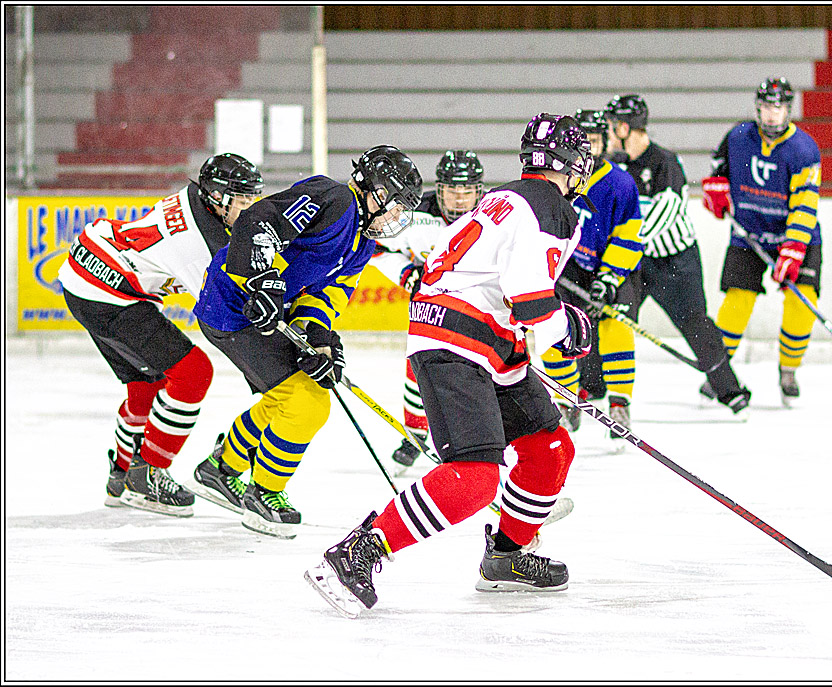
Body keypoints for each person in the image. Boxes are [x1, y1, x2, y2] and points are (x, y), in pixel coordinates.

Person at [305, 113, 595, 617]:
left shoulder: (507, 197)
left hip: (483, 338)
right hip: (457, 340)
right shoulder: (550, 207)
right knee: (475, 476)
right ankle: (357, 552)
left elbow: (502, 288)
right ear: (573, 166)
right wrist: (568, 332)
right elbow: (532, 304)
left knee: (549, 449)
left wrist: (546, 325)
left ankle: (506, 557)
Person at [188, 145, 423, 538]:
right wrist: (261, 279)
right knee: (308, 403)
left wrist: (320, 341)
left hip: (259, 313)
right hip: (234, 304)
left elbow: (328, 294)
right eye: (397, 205)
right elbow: (259, 222)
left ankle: (220, 468)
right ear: (377, 193)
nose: (399, 216)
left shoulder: (362, 243)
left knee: (290, 395)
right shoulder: (331, 198)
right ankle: (264, 493)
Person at [56, 153, 264, 517]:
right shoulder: (201, 245)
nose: (249, 210)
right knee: (193, 372)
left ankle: (121, 475)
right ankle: (148, 474)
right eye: (243, 201)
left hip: (84, 271)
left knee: (145, 385)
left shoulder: (193, 199)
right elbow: (224, 316)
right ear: (217, 197)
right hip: (109, 292)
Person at [604, 94, 751, 416]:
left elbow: (666, 211)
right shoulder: (613, 164)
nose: (608, 133)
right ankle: (595, 386)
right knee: (609, 319)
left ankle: (731, 392)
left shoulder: (665, 163)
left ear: (626, 127)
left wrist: (621, 249)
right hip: (636, 263)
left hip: (675, 263)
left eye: (613, 127)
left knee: (696, 326)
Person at [701, 77, 823, 406]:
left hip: (796, 237)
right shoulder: (738, 136)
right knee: (737, 302)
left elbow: (805, 205)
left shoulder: (804, 149)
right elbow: (717, 171)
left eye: (778, 107)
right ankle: (720, 374)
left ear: (788, 110)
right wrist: (715, 190)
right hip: (748, 234)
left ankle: (788, 371)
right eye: (767, 107)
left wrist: (793, 250)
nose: (772, 115)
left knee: (803, 303)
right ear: (758, 107)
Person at [370, 150, 486, 476]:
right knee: (418, 367)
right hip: (429, 312)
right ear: (440, 190)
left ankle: (484, 434)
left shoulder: (494, 217)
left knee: (479, 374)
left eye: (467, 191)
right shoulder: (413, 215)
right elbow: (376, 249)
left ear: (478, 190)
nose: (460, 199)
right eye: (453, 190)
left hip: (477, 310)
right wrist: (405, 271)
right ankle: (416, 432)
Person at [539, 108, 643, 442]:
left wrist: (608, 279)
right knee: (551, 324)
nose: (590, 151)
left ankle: (619, 402)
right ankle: (565, 399)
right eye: (585, 143)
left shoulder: (621, 183)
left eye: (596, 142)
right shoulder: (557, 180)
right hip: (569, 268)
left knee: (616, 324)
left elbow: (628, 237)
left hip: (613, 268)